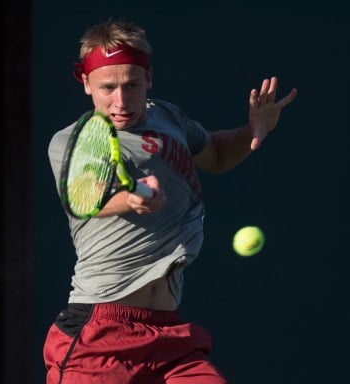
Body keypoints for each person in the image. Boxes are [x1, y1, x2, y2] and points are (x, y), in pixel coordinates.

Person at [44, 19, 297, 384]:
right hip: (100, 337)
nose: (120, 100)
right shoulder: (71, 141)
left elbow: (217, 153)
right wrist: (130, 199)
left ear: (149, 77)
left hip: (168, 339)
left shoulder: (167, 117)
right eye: (108, 88)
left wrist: (256, 129)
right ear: (85, 83)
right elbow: (85, 196)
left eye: (131, 85)